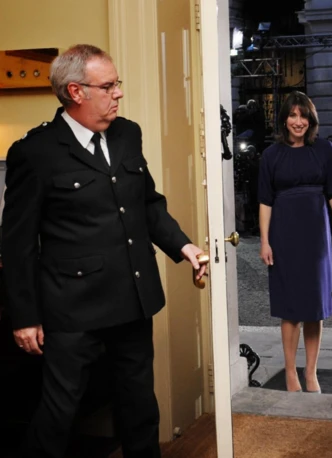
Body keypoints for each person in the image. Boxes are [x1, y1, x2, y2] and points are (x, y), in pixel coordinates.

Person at [1, 44, 206, 458]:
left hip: (132, 297)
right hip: (72, 308)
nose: (118, 93)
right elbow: (17, 242)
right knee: (59, 412)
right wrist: (24, 316)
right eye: (108, 86)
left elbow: (147, 203)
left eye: (117, 84)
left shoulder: (128, 134)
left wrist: (182, 245)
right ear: (76, 92)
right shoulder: (35, 153)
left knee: (139, 405)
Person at [258, 91, 332, 393]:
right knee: (290, 308)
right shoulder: (271, 155)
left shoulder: (325, 149)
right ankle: (289, 373)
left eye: (303, 116)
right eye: (292, 115)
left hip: (316, 235)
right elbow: (265, 201)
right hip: (283, 233)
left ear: (310, 119)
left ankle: (310, 373)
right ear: (284, 119)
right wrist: (264, 241)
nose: (298, 122)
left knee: (314, 306)